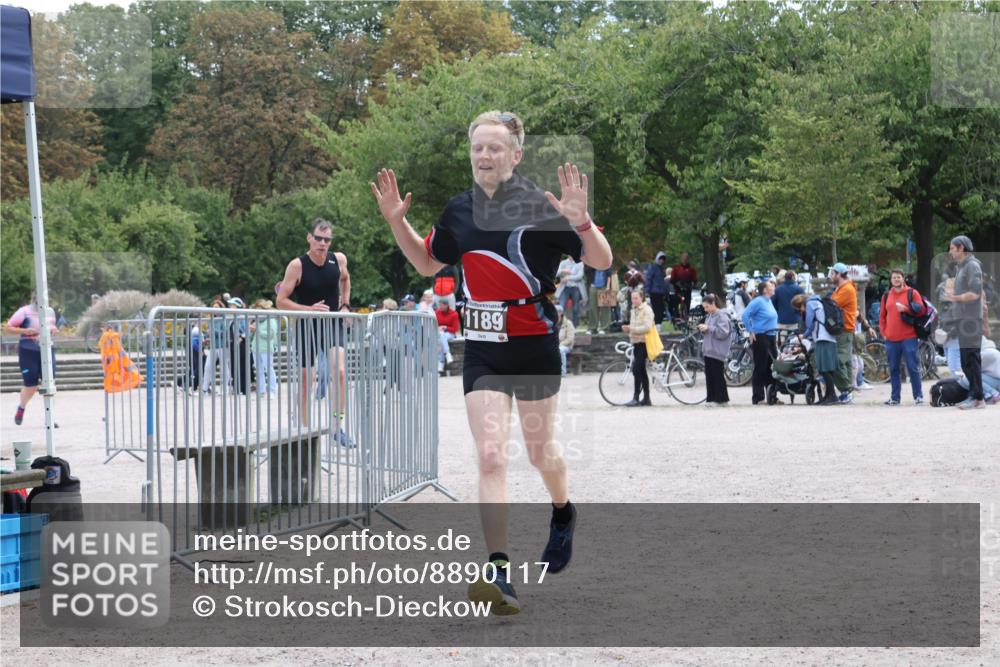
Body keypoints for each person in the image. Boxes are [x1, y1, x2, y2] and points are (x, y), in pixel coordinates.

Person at [370, 109, 613, 615]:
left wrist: (582, 221)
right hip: (482, 347)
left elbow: (602, 261)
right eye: (478, 147)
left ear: (516, 154)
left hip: (533, 344)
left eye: (495, 147)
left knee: (540, 452)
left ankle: (564, 513)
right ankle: (499, 571)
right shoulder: (459, 209)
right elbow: (425, 261)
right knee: (490, 456)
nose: (484, 155)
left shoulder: (544, 206)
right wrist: (399, 222)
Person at [276, 218, 354, 444]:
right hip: (306, 326)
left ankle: (337, 427)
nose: (322, 243)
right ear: (309, 238)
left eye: (326, 239)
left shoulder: (338, 260)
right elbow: (281, 301)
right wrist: (308, 309)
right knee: (305, 380)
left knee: (339, 372)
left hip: (331, 324)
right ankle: (304, 431)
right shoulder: (297, 266)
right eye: (318, 238)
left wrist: (345, 304)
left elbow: (346, 279)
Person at [944, 236, 986, 409]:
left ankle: (978, 397)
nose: (950, 252)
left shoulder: (972, 265)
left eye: (952, 248)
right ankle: (976, 396)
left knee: (971, 359)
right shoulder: (961, 267)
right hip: (963, 318)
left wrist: (955, 297)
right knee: (965, 360)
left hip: (971, 319)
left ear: (961, 248)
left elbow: (975, 293)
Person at [4, 294, 57, 425]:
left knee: (49, 384)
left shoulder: (50, 311)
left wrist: (54, 330)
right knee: (31, 386)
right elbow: (7, 328)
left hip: (47, 350)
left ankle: (50, 418)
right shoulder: (24, 311)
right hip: (28, 351)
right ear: (34, 299)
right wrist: (25, 330)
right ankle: (21, 408)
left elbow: (52, 327)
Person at [877, 269, 925, 405]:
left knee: (913, 367)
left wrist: (906, 309)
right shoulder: (886, 295)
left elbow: (921, 310)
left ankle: (918, 396)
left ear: (903, 279)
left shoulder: (912, 293)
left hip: (909, 337)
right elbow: (882, 316)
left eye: (898, 277)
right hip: (891, 339)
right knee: (893, 368)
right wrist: (884, 332)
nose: (896, 280)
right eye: (894, 278)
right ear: (891, 280)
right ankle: (895, 397)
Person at [794, 293, 839, 405]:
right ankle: (828, 395)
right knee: (828, 368)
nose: (802, 311)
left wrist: (803, 335)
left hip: (822, 338)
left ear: (801, 305)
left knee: (824, 368)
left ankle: (832, 396)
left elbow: (810, 325)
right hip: (830, 337)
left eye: (799, 308)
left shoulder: (810, 304)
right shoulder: (818, 301)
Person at [742, 280, 778, 405]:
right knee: (760, 367)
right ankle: (758, 397)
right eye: (770, 286)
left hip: (771, 336)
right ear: (765, 290)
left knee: (772, 367)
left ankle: (772, 395)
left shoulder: (769, 301)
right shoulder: (758, 301)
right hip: (761, 336)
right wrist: (750, 330)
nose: (773, 287)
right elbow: (745, 315)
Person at [829, 262, 858, 404]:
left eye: (833, 273)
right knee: (844, 361)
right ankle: (846, 392)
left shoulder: (846, 289)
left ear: (839, 274)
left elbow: (832, 304)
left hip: (844, 330)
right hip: (843, 330)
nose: (831, 276)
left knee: (838, 361)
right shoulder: (841, 288)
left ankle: (846, 390)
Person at [697, 294, 731, 406]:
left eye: (707, 307)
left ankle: (721, 400)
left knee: (717, 375)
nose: (705, 310)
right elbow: (710, 330)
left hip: (717, 351)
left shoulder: (722, 316)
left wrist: (709, 328)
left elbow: (723, 333)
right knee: (710, 375)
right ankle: (711, 398)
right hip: (709, 350)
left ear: (713, 304)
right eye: (704, 307)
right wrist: (703, 329)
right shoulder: (710, 316)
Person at [622, 288, 653, 407]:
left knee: (636, 369)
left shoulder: (647, 310)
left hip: (644, 343)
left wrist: (632, 329)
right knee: (641, 370)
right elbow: (636, 325)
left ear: (642, 298)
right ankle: (647, 398)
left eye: (636, 298)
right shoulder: (633, 310)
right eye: (632, 298)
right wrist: (628, 328)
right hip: (636, 343)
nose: (634, 300)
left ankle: (636, 397)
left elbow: (647, 327)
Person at [249, 299, 280, 395]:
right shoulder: (257, 321)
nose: (257, 313)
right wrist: (250, 330)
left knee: (269, 369)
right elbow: (251, 337)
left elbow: (271, 335)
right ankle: (261, 390)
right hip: (255, 348)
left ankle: (272, 390)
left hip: (266, 348)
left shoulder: (271, 320)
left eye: (259, 310)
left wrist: (257, 330)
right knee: (259, 370)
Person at [201, 297, 230, 394]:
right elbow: (209, 332)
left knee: (223, 367)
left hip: (223, 346)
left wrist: (213, 331)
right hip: (213, 346)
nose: (215, 309)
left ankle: (224, 388)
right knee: (208, 366)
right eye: (213, 308)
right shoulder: (211, 320)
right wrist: (205, 337)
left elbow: (225, 332)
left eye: (217, 307)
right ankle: (204, 388)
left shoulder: (224, 319)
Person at [772, 270, 804, 344]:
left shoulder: (778, 289)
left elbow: (773, 303)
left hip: (781, 320)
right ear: (793, 277)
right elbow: (803, 303)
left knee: (780, 343)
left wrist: (779, 310)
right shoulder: (799, 289)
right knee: (793, 344)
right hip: (795, 320)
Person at [556, 255, 586, 327]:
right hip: (565, 287)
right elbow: (556, 273)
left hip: (575, 287)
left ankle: (574, 326)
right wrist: (563, 271)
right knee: (561, 307)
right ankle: (561, 325)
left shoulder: (580, 263)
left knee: (576, 308)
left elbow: (580, 275)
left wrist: (568, 278)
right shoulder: (563, 263)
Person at [671, 252, 698, 320]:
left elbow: (695, 279)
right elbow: (672, 279)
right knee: (676, 303)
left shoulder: (691, 269)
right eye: (683, 258)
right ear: (681, 259)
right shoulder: (676, 268)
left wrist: (692, 284)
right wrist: (677, 284)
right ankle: (677, 317)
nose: (684, 259)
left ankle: (686, 317)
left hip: (688, 289)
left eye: (686, 258)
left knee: (687, 304)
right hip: (678, 290)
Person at [436, 298, 460, 373]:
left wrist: (445, 327)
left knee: (441, 336)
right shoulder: (437, 313)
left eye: (442, 305)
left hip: (451, 334)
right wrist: (438, 328)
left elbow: (455, 329)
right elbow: (434, 325)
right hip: (439, 334)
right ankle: (447, 354)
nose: (440, 307)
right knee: (441, 337)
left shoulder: (454, 314)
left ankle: (441, 362)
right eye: (439, 305)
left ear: (446, 305)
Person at [644, 252, 668, 326]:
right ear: (657, 259)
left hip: (660, 292)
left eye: (663, 259)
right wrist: (647, 291)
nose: (662, 261)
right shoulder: (653, 267)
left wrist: (665, 291)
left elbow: (662, 281)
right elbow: (648, 279)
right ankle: (656, 323)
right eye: (660, 259)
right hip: (654, 292)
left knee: (660, 309)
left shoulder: (661, 269)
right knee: (656, 309)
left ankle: (658, 323)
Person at [587, 266, 613, 334]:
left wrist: (608, 286)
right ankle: (592, 328)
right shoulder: (592, 262)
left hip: (604, 286)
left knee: (605, 308)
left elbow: (609, 275)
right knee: (593, 307)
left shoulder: (606, 260)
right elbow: (587, 270)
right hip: (593, 286)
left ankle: (604, 328)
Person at [557, 305, 574, 377]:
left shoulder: (568, 323)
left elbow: (570, 338)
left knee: (560, 350)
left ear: (561, 313)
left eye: (556, 312)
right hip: (554, 345)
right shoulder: (552, 322)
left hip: (566, 346)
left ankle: (562, 372)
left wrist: (560, 344)